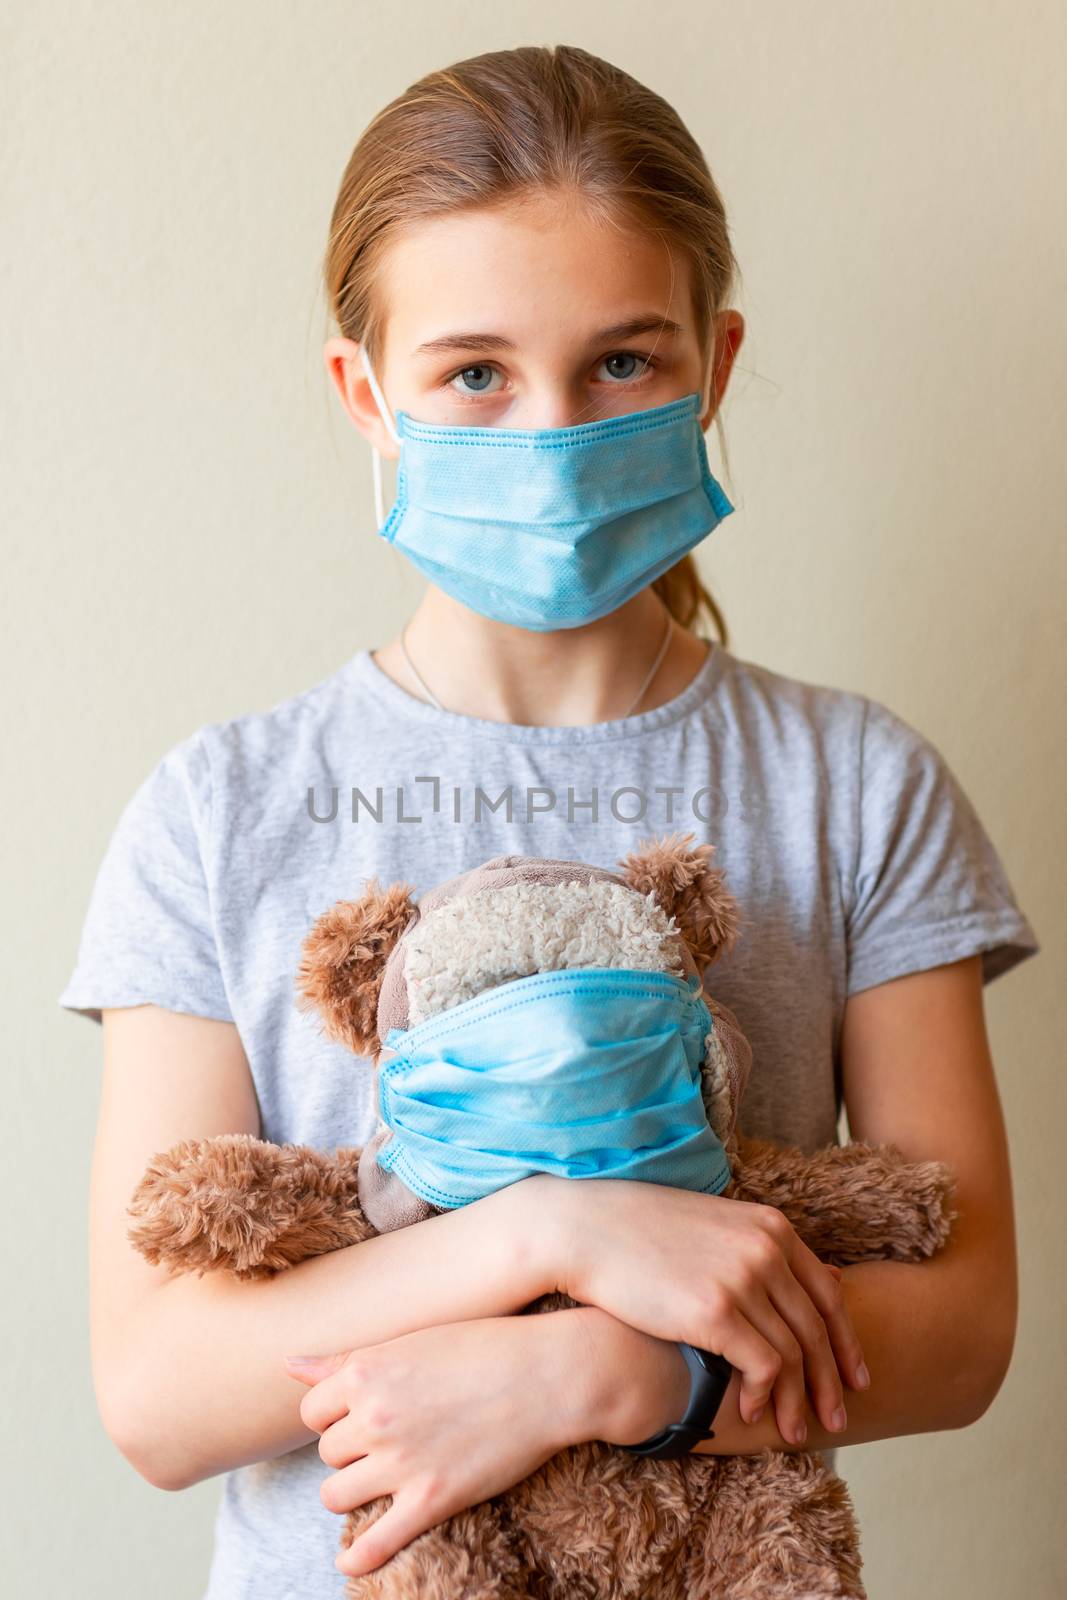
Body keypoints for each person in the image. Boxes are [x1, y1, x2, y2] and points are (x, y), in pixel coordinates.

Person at [59, 43, 1040, 1600]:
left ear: (713, 366)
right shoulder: (217, 812)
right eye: (474, 373)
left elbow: (965, 1324)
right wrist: (551, 1242)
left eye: (623, 365)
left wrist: (619, 1383)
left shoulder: (858, 785)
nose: (550, 431)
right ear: (364, 395)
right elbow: (164, 1390)